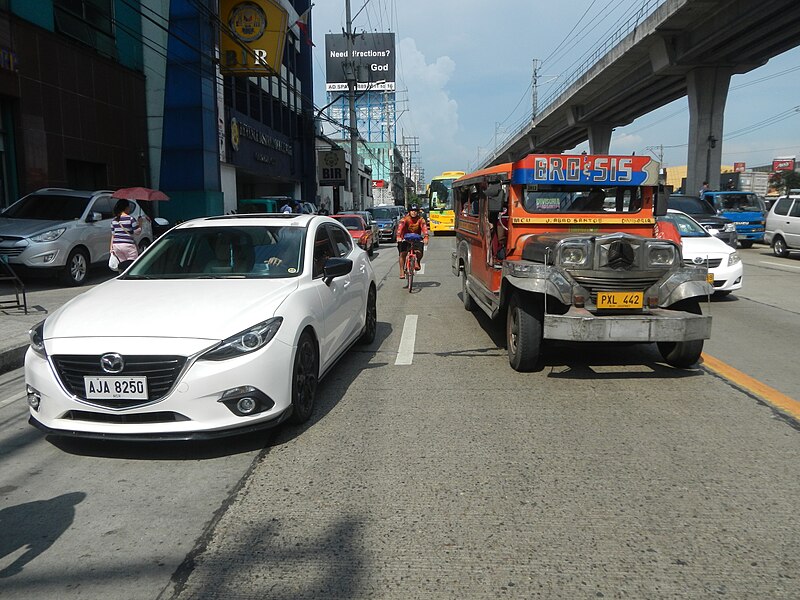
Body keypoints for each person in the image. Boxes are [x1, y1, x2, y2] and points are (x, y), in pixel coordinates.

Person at [396, 204, 429, 279]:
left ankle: (418, 261)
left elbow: (424, 228)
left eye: (415, 211)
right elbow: (400, 228)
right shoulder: (404, 219)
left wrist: (426, 237)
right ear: (409, 212)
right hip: (405, 238)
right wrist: (398, 236)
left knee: (419, 252)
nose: (414, 212)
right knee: (402, 254)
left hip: (416, 238)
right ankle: (401, 270)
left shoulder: (421, 219)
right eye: (412, 211)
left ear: (418, 212)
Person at [110, 199, 143, 271]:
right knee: (133, 265)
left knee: (124, 265)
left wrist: (111, 248)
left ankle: (124, 277)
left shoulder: (114, 220)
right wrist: (140, 223)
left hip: (116, 246)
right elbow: (137, 232)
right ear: (126, 208)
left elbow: (113, 235)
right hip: (128, 245)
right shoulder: (130, 218)